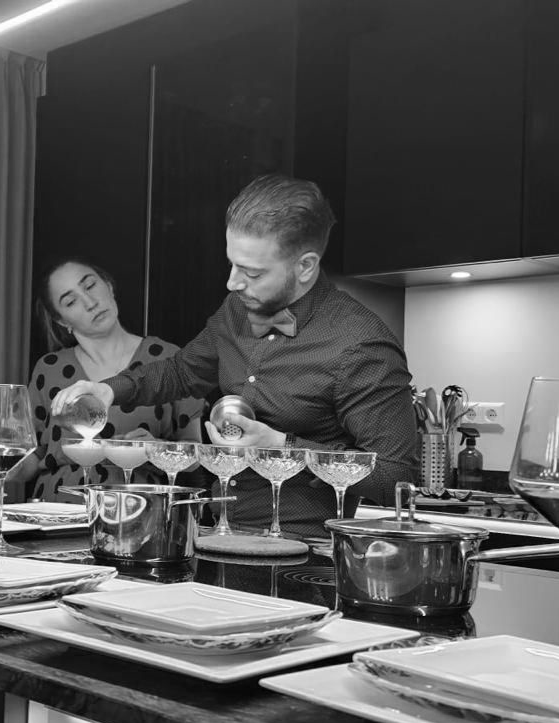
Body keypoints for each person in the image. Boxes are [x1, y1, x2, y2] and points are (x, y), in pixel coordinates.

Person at [51, 175, 418, 536]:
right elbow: (181, 372)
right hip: (220, 531)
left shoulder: (360, 344)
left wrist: (279, 446)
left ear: (305, 266)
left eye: (251, 273)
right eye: (232, 264)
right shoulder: (237, 308)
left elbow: (395, 476)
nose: (232, 282)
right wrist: (108, 390)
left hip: (306, 547)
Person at [25, 258, 203, 500]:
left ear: (108, 285)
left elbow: (195, 456)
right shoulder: (49, 369)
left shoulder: (168, 359)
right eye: (70, 301)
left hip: (141, 507)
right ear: (62, 320)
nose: (90, 303)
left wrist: (156, 450)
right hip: (59, 508)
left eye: (90, 285)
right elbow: (32, 458)